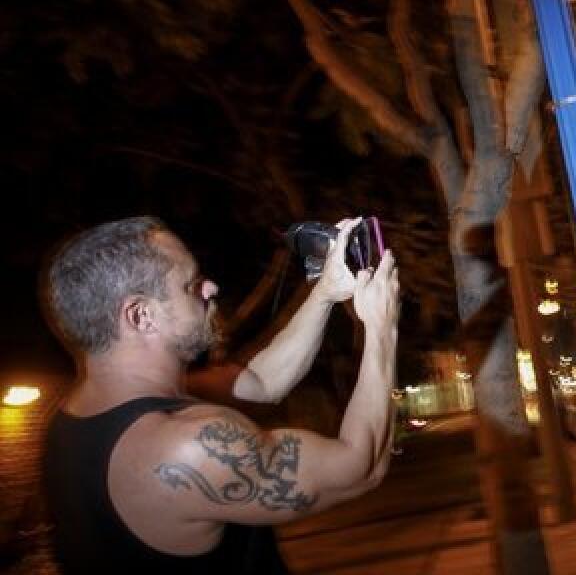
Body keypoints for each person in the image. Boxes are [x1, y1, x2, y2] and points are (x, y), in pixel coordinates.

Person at [39, 215, 399, 574]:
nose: (210, 288)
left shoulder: (72, 418)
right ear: (140, 315)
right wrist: (383, 327)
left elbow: (261, 381)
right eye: (191, 285)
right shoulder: (185, 447)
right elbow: (362, 467)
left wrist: (325, 293)